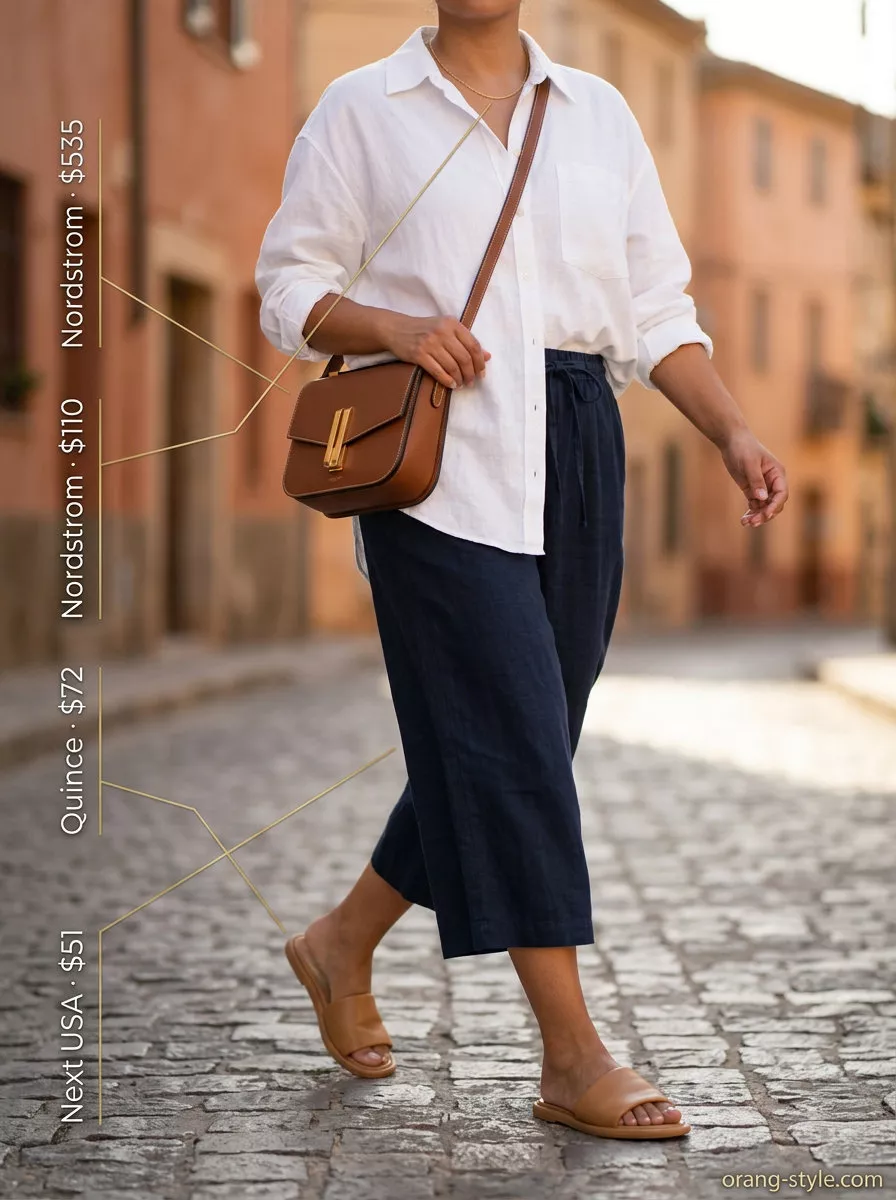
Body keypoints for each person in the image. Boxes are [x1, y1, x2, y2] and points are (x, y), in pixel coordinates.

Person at [255, 0, 788, 1141]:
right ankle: (570, 1054)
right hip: (438, 455)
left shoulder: (598, 116)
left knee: (524, 733)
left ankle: (341, 939)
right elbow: (288, 288)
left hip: (582, 436)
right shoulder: (362, 108)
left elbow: (655, 310)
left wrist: (731, 432)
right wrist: (395, 326)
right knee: (508, 736)